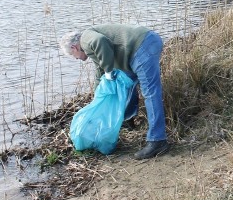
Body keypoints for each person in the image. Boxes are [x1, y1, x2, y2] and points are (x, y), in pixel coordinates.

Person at [60, 23, 170, 160]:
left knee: (150, 93)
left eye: (73, 55)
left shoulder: (86, 38)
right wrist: (97, 96)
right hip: (140, 47)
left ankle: (157, 140)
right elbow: (99, 70)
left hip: (142, 46)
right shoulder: (90, 48)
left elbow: (100, 42)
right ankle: (127, 120)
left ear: (74, 47)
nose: (76, 58)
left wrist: (108, 71)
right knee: (125, 83)